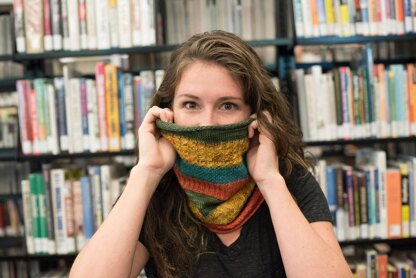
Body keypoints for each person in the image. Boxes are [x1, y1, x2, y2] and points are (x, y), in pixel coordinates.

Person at [70, 30, 352, 278]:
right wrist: (146, 172)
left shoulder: (288, 179)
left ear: (256, 115)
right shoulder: (156, 189)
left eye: (227, 106)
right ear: (169, 111)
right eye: (191, 105)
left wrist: (269, 180)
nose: (207, 123)